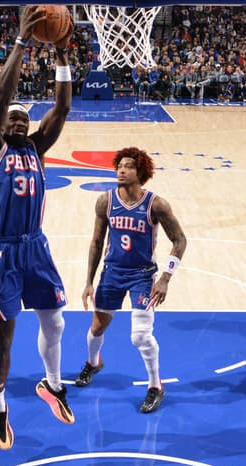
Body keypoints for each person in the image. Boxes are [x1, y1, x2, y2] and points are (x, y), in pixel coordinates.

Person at [0, 6, 75, 451]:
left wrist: (61, 52)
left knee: (54, 320)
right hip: (2, 253)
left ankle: (52, 383)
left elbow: (63, 106)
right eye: (12, 118)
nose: (17, 121)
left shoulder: (36, 147)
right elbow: (1, 99)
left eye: (22, 118)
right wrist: (20, 41)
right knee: (5, 333)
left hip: (36, 247)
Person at [74, 147, 188, 413]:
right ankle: (93, 363)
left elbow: (180, 240)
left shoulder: (156, 204)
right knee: (96, 329)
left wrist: (165, 279)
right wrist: (89, 281)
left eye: (128, 166)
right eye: (119, 166)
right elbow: (96, 242)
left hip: (142, 275)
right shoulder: (105, 201)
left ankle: (155, 386)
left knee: (139, 336)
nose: (121, 170)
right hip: (112, 272)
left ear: (141, 172)